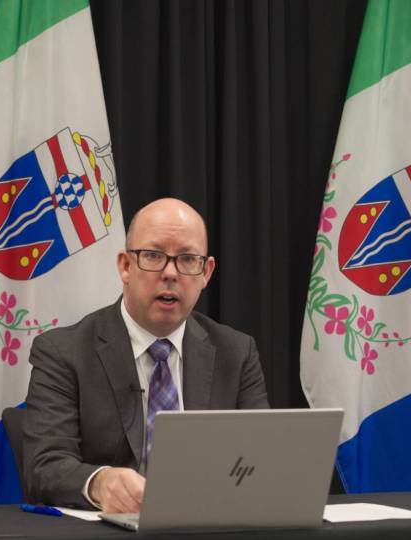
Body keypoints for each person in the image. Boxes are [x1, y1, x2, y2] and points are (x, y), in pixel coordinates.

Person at [22, 198, 270, 512]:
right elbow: (43, 467)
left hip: (208, 536)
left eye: (187, 259)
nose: (170, 273)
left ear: (206, 272)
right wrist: (100, 483)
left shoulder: (236, 353)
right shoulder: (64, 352)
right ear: (125, 266)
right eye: (153, 256)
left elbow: (261, 461)